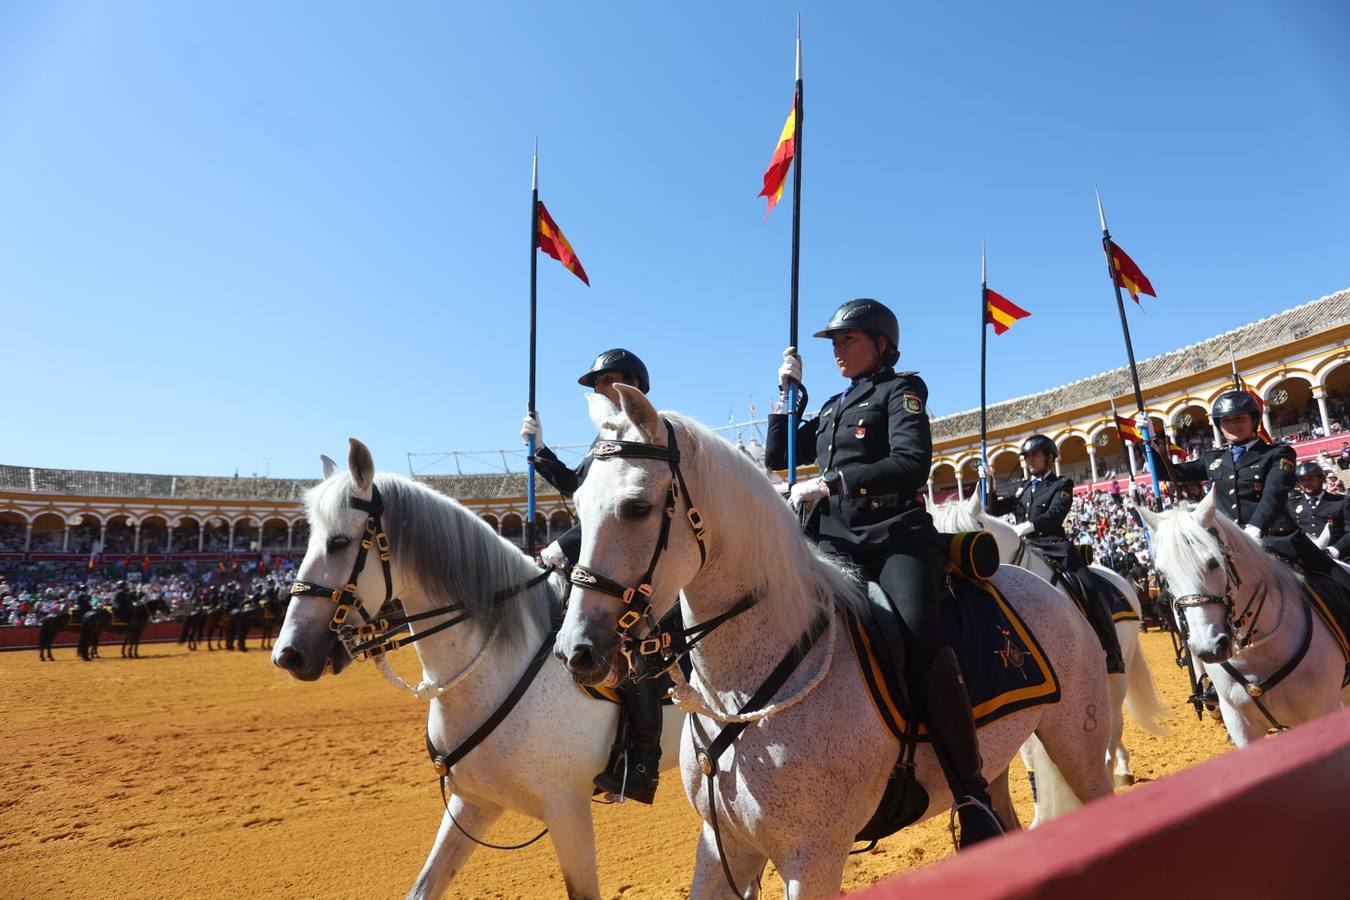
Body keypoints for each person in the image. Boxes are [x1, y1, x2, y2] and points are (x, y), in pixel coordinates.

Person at [764, 297, 1003, 848]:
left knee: (918, 636)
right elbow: (780, 452)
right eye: (833, 344)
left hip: (894, 537)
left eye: (847, 340)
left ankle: (971, 792)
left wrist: (836, 482)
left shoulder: (902, 391)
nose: (837, 351)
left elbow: (912, 462)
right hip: (830, 542)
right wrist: (786, 393)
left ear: (881, 343)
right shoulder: (828, 407)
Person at [520, 348, 665, 805]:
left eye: (606, 381)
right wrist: (540, 450)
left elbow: (616, 516)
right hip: (603, 566)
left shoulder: (646, 437)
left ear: (632, 385)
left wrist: (562, 546)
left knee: (637, 645)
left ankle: (641, 763)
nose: (599, 390)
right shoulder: (602, 441)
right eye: (595, 384)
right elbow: (579, 491)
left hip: (644, 569)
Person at [1167, 391, 1350, 596]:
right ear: (1219, 425)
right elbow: (1170, 472)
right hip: (1229, 545)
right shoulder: (1212, 459)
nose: (1234, 425)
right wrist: (1149, 440)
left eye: (1240, 418)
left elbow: (1275, 492)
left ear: (1253, 420)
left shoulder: (1277, 453)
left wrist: (1256, 528)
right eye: (1227, 421)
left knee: (1339, 581)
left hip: (1276, 540)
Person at [983, 436, 1126, 674]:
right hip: (1024, 548)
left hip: (1053, 546)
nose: (1029, 461)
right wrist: (989, 482)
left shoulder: (1061, 484)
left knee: (1089, 587)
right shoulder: (1022, 488)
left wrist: (1029, 526)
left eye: (1034, 455)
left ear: (1049, 458)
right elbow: (993, 509)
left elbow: (1055, 515)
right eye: (1027, 457)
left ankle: (1112, 650)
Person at [1288, 461, 1350, 560]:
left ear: (1321, 479)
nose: (1307, 483)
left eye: (1311, 479)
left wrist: (1334, 550)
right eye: (1303, 480)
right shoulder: (1291, 504)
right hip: (1304, 557)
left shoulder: (1341, 502)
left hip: (1337, 557)